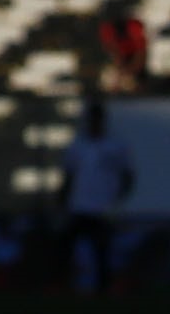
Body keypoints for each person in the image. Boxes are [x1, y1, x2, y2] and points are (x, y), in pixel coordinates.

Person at [53, 94, 132, 290]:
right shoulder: (78, 146)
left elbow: (127, 176)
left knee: (101, 251)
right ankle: (65, 284)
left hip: (102, 209)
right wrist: (62, 201)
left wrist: (117, 200)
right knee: (66, 247)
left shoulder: (116, 147)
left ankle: (102, 289)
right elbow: (68, 176)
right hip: (79, 206)